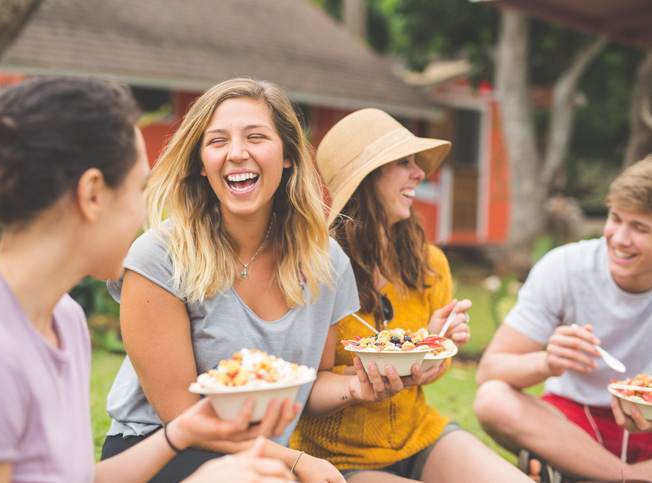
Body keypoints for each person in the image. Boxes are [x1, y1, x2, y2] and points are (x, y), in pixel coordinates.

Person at [0, 77, 296, 483]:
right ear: (92, 195)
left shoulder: (62, 320)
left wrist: (181, 433)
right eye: (139, 188)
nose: (144, 215)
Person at [100, 78, 359, 482]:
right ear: (201, 163)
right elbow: (182, 414)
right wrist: (295, 462)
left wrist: (361, 386)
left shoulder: (327, 262)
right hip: (162, 451)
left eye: (256, 137)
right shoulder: (158, 257)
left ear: (288, 155)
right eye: (217, 141)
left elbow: (314, 382)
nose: (237, 153)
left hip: (263, 461)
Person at [290, 108, 532, 482]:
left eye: (416, 163)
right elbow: (305, 390)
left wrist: (436, 345)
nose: (419, 173)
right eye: (403, 163)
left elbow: (429, 372)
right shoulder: (316, 269)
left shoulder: (430, 263)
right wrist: (358, 388)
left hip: (418, 436)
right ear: (367, 178)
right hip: (337, 458)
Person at [474, 156, 652, 482]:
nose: (620, 238)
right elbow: (490, 370)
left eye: (640, 228)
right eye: (616, 219)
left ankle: (575, 474)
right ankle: (627, 476)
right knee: (493, 399)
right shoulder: (566, 267)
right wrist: (549, 362)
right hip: (573, 427)